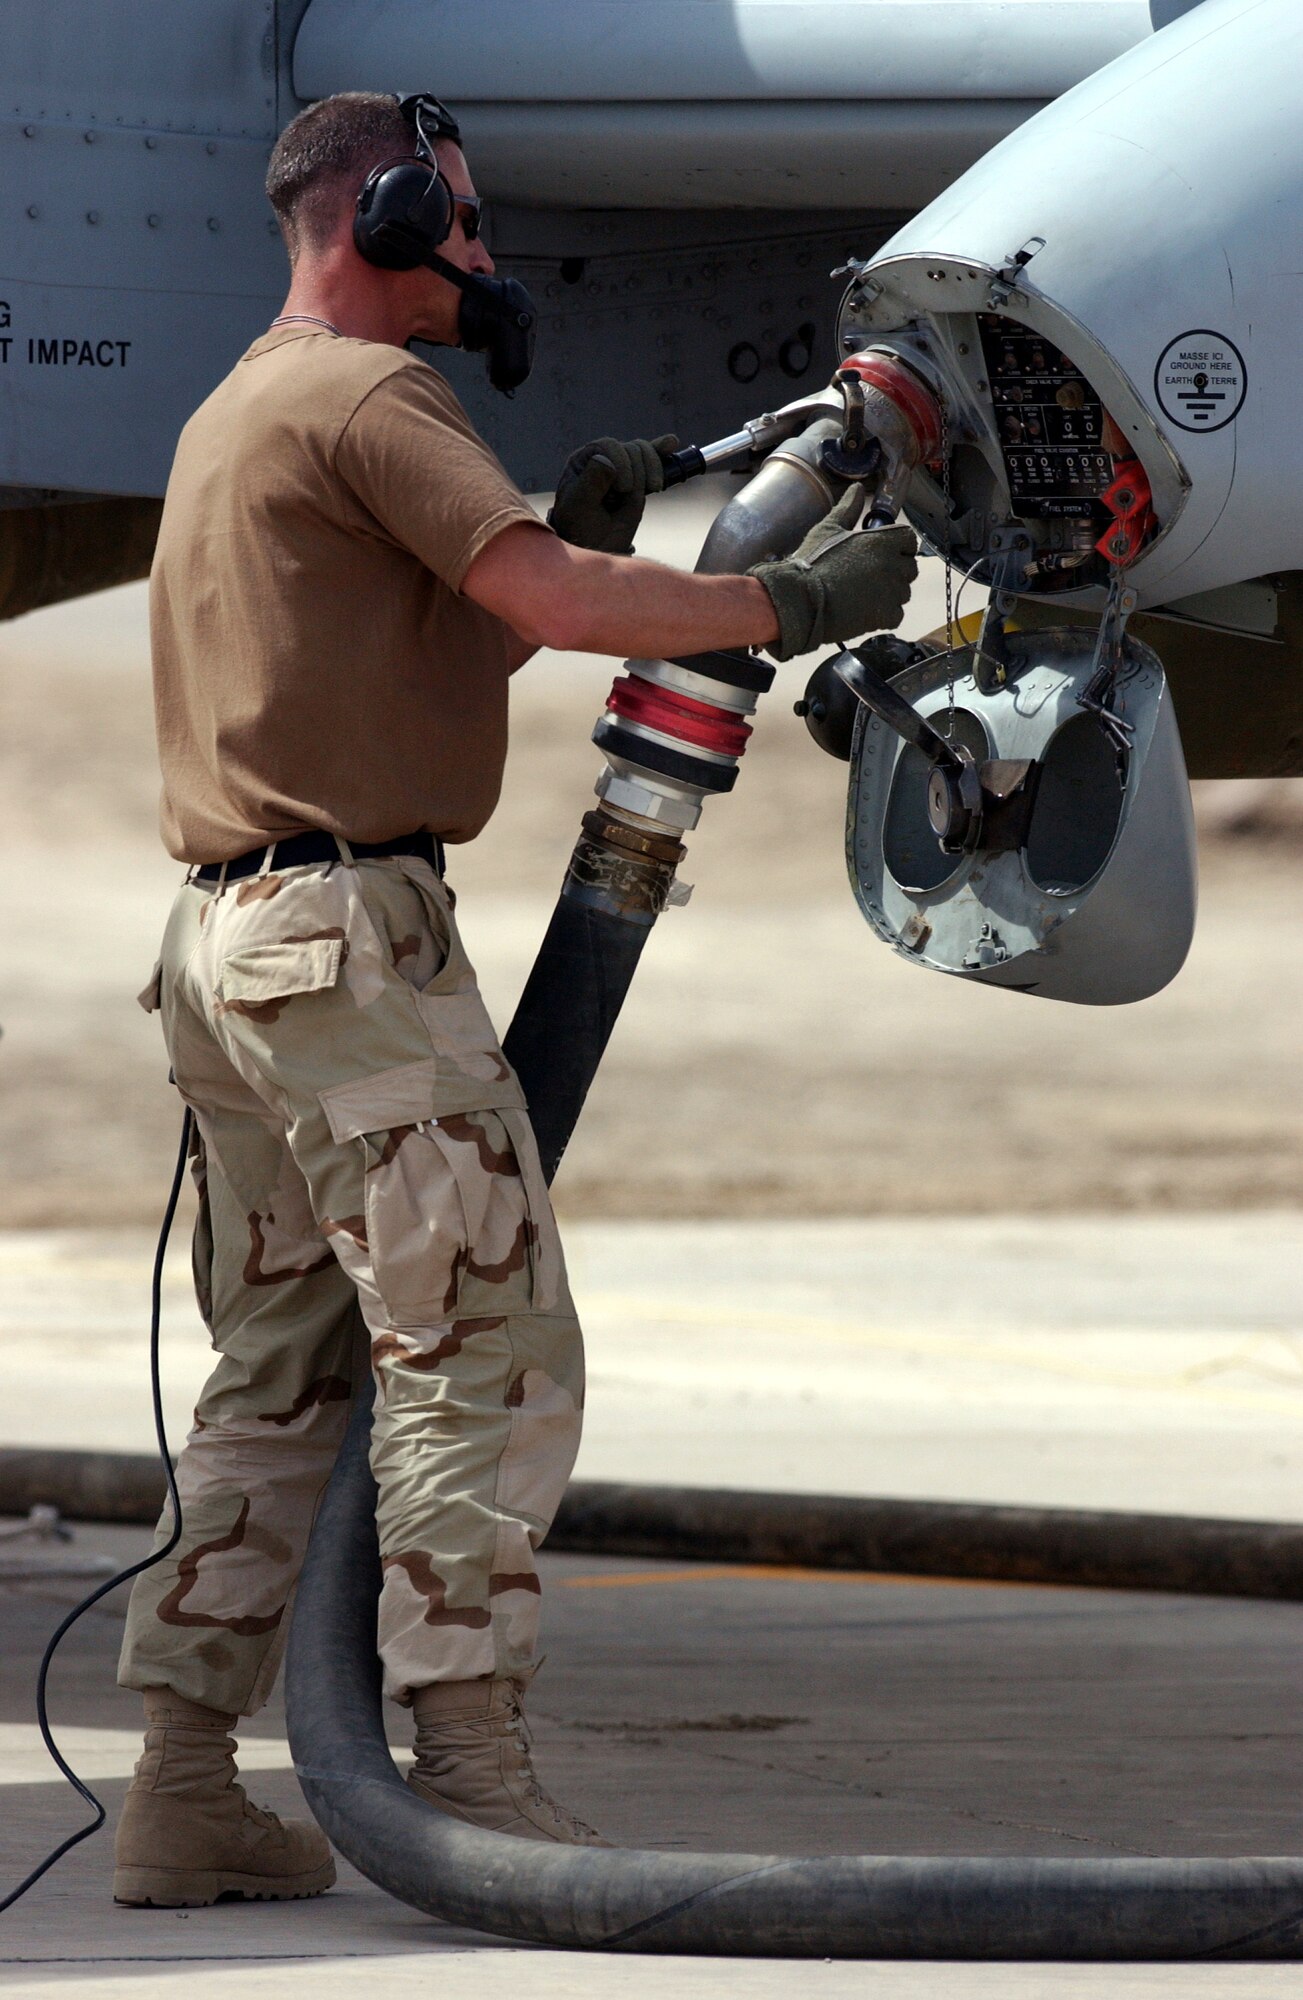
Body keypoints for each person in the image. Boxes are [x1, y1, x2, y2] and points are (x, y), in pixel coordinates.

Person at [112, 90, 917, 1909]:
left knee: (281, 1371)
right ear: (381, 214)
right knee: (481, 1347)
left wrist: (573, 526)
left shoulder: (245, 402)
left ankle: (178, 1786)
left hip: (227, 954)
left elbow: (441, 618)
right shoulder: (376, 395)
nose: (482, 257)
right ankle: (467, 1770)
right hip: (347, 951)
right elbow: (551, 601)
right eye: (459, 221)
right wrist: (784, 597)